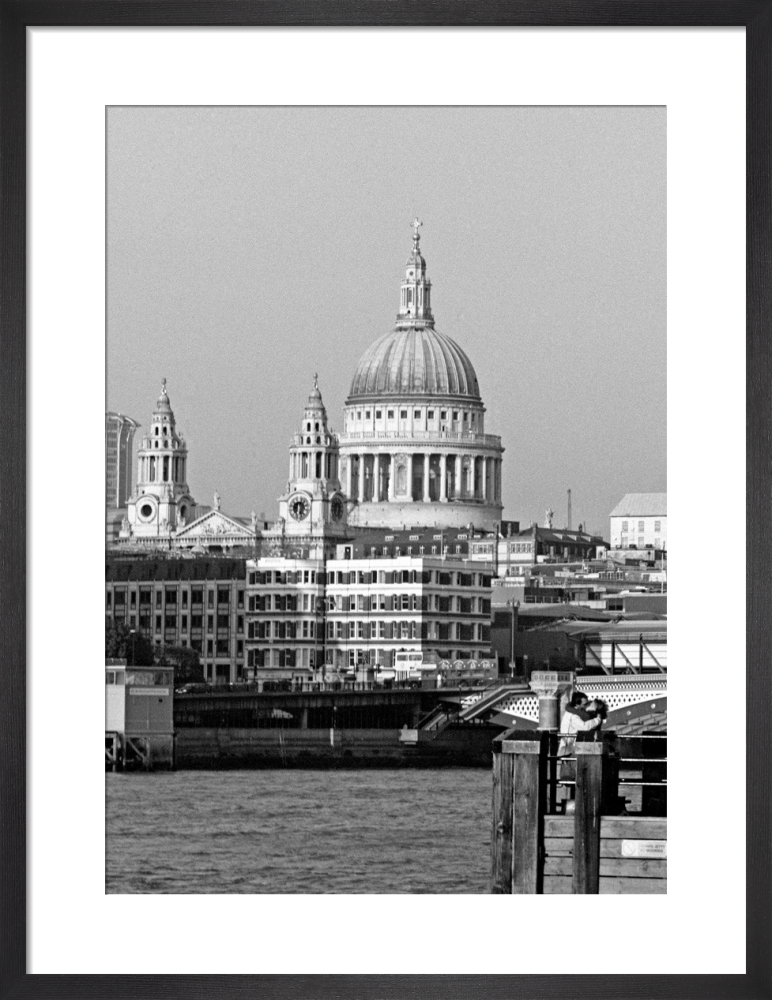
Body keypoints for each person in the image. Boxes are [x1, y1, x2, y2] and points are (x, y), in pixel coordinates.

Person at [557, 692, 602, 786]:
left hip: (570, 749)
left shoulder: (573, 713)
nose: (586, 706)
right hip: (569, 750)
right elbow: (585, 727)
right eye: (585, 704)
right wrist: (597, 719)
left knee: (576, 777)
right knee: (576, 777)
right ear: (577, 704)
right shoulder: (573, 717)